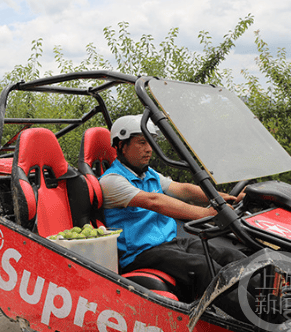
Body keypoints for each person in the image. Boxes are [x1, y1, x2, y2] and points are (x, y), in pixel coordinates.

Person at [99, 115, 245, 304]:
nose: (149, 149)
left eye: (150, 142)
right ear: (121, 145)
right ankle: (262, 320)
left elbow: (182, 189)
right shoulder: (112, 180)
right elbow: (155, 201)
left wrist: (223, 197)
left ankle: (276, 298)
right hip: (140, 253)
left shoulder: (148, 173)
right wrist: (205, 214)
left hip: (169, 243)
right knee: (203, 268)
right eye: (141, 143)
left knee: (229, 256)